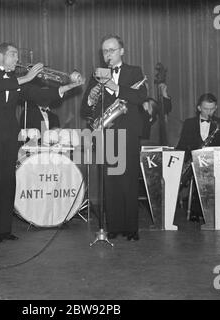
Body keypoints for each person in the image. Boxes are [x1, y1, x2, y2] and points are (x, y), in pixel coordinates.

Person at [0, 42, 83, 242]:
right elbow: (0, 85)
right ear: (0, 56)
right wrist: (29, 76)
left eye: (16, 55)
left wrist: (68, 86)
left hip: (9, 136)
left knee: (8, 181)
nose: (17, 59)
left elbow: (40, 94)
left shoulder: (17, 81)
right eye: (13, 54)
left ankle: (4, 229)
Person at [81, 35, 148, 241]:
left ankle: (131, 229)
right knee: (109, 183)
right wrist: (91, 99)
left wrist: (115, 86)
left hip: (128, 132)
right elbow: (84, 109)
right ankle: (114, 227)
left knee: (128, 181)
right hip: (106, 133)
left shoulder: (134, 71)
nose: (107, 54)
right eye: (104, 51)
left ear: (122, 51)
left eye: (111, 50)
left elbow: (140, 97)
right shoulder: (97, 75)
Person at [176, 93, 220, 222]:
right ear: (199, 108)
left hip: (215, 161)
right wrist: (180, 162)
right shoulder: (189, 123)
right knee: (199, 173)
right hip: (194, 161)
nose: (209, 112)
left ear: (216, 107)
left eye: (212, 109)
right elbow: (182, 145)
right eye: (206, 109)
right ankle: (196, 211)